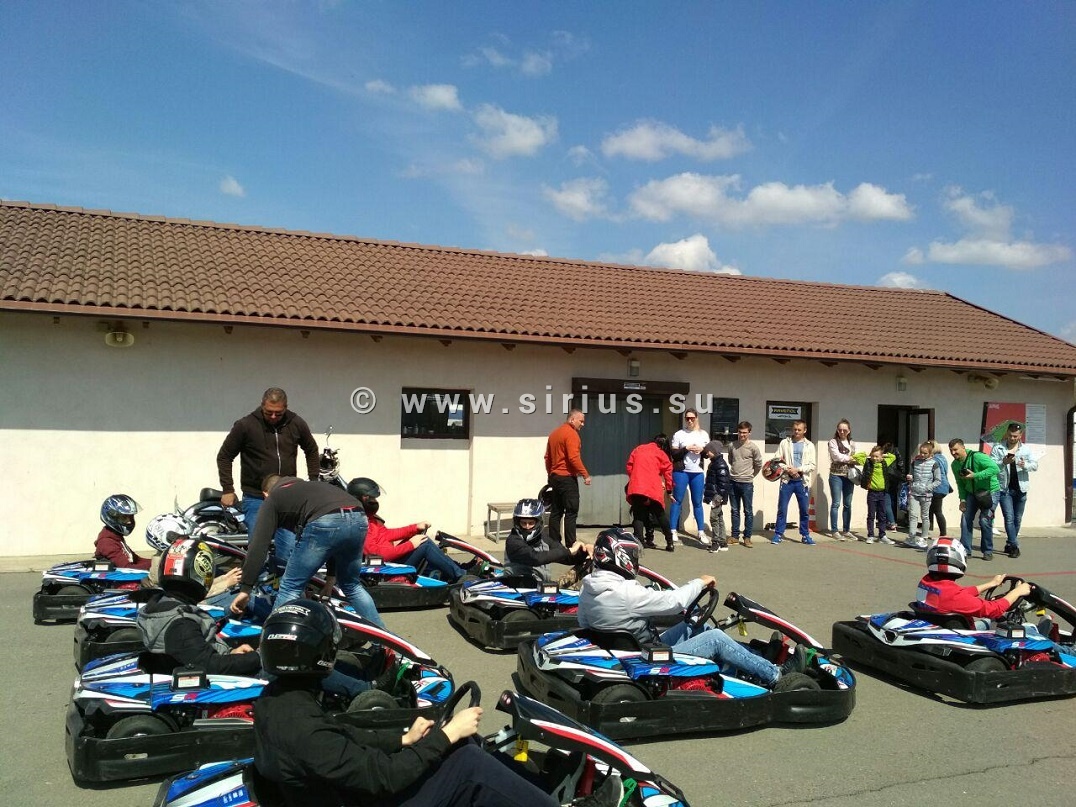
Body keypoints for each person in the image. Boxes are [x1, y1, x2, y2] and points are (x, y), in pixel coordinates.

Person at [252, 599, 624, 807]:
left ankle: (540, 790)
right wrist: (446, 735)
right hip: (368, 798)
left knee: (463, 746)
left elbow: (339, 736)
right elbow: (384, 777)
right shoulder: (302, 727)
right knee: (468, 764)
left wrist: (403, 738)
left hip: (345, 792)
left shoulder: (278, 701)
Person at [578, 528, 808, 688]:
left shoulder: (588, 588)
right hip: (649, 659)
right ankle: (775, 675)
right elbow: (675, 602)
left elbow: (584, 624)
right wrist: (700, 582)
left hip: (632, 650)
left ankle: (758, 659)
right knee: (715, 638)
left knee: (695, 625)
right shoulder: (625, 592)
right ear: (621, 557)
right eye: (633, 556)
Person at [229, 476, 383, 627]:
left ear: (265, 494)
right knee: (352, 586)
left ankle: (277, 638)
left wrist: (246, 589)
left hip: (326, 520)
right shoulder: (312, 488)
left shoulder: (273, 498)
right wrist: (330, 579)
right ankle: (383, 638)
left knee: (290, 586)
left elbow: (258, 546)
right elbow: (335, 537)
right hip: (358, 516)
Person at [216, 387, 320, 563]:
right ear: (262, 405)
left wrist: (314, 480)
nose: (273, 417)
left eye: (278, 413)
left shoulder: (296, 423)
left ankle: (282, 579)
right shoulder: (245, 425)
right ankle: (258, 579)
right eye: (268, 412)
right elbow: (224, 456)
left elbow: (311, 450)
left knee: (288, 545)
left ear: (285, 407)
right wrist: (228, 488)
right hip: (255, 496)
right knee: (258, 545)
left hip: (288, 497)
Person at [347, 478, 466, 583]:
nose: (374, 501)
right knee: (425, 544)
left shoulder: (369, 519)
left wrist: (415, 528)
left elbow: (386, 534)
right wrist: (411, 545)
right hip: (384, 569)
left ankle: (457, 569)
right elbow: (379, 555)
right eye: (371, 498)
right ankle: (461, 575)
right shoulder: (359, 525)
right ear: (360, 499)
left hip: (389, 562)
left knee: (420, 539)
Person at [916, 539, 1032, 628]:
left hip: (943, 632)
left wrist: (991, 584)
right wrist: (1017, 592)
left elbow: (958, 595)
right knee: (1029, 628)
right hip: (966, 638)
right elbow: (994, 610)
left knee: (994, 621)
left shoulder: (926, 582)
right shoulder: (954, 597)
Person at [142, 513, 243, 609]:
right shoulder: (168, 566)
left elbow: (196, 583)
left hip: (189, 603)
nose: (188, 540)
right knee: (244, 598)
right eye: (183, 537)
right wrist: (226, 584)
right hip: (189, 607)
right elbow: (189, 595)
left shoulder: (165, 560)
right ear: (167, 539)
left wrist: (224, 578)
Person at [503, 498, 590, 585]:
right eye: (523, 523)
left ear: (538, 523)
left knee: (590, 562)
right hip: (517, 588)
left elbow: (566, 558)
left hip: (543, 587)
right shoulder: (513, 541)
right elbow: (535, 558)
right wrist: (569, 551)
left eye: (531, 523)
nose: (527, 526)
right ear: (517, 523)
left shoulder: (544, 539)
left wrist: (584, 551)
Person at [544, 409, 591, 549]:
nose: (582, 424)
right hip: (567, 478)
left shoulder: (554, 434)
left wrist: (551, 474)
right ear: (572, 419)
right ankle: (571, 545)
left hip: (555, 477)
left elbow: (547, 458)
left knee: (556, 511)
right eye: (581, 421)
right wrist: (585, 474)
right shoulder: (571, 434)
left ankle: (554, 544)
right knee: (571, 511)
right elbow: (573, 457)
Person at [990, 422, 1038, 559]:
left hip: (1021, 489)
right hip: (1004, 489)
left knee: (1017, 519)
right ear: (1007, 434)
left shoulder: (1025, 450)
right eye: (1010, 435)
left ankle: (1009, 543)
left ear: (1020, 435)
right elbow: (991, 464)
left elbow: (1035, 465)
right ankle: (1014, 546)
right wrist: (1003, 462)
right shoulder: (998, 448)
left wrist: (1025, 465)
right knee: (1009, 518)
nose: (1012, 438)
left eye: (1015, 436)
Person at [949, 438, 1001, 561]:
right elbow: (960, 483)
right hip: (971, 493)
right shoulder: (955, 465)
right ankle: (966, 550)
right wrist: (962, 500)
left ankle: (987, 550)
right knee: (965, 519)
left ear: (963, 447)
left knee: (984, 520)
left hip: (990, 492)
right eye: (951, 450)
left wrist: (975, 475)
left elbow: (995, 469)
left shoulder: (977, 457)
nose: (953, 453)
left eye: (955, 450)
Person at [624, 434, 675, 552]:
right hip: (653, 487)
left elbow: (629, 467)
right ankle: (670, 542)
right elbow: (668, 472)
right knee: (660, 515)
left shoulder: (638, 449)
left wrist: (635, 478)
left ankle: (640, 541)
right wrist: (669, 490)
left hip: (637, 486)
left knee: (638, 515)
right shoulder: (661, 453)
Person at [771, 420, 817, 545]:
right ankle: (778, 534)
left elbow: (812, 465)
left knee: (804, 510)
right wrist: (788, 469)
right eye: (795, 429)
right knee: (782, 508)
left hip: (802, 482)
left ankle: (805, 535)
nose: (796, 432)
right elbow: (777, 459)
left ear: (805, 430)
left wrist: (798, 470)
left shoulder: (809, 445)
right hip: (787, 481)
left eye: (799, 430)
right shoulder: (785, 443)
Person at [669, 408, 710, 545]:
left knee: (697, 502)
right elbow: (674, 454)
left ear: (696, 418)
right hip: (681, 471)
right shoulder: (679, 434)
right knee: (677, 500)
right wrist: (686, 448)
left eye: (692, 418)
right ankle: (673, 530)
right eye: (687, 418)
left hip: (697, 472)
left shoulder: (703, 434)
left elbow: (708, 454)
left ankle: (701, 532)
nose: (690, 421)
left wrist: (701, 450)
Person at [726, 421, 763, 548]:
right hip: (733, 482)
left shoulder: (753, 448)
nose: (742, 435)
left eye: (745, 433)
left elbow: (758, 464)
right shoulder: (732, 445)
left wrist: (751, 475)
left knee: (748, 511)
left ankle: (747, 537)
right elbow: (731, 460)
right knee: (734, 511)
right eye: (740, 432)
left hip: (747, 483)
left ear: (749, 433)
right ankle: (734, 536)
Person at [94, 494, 151, 569]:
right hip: (123, 575)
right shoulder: (107, 543)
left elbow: (137, 560)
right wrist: (156, 566)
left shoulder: (116, 537)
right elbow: (128, 569)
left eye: (131, 517)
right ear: (113, 518)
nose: (129, 522)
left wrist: (159, 561)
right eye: (124, 517)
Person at [904, 442, 942, 549]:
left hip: (926, 494)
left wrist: (928, 487)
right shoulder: (915, 462)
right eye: (921, 452)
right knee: (913, 515)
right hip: (914, 492)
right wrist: (910, 477)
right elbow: (911, 474)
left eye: (925, 453)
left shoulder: (934, 464)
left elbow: (938, 480)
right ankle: (911, 537)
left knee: (925, 516)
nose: (922, 455)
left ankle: (924, 538)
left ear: (930, 453)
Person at [826, 420, 858, 541]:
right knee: (836, 503)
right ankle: (835, 530)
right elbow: (836, 457)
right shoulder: (833, 442)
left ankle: (846, 530)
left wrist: (854, 459)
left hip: (849, 476)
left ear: (849, 431)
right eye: (840, 430)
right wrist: (850, 458)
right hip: (836, 475)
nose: (842, 432)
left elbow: (857, 458)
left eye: (845, 430)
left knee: (848, 504)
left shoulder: (852, 443)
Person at [858, 446, 895, 545]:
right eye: (873, 456)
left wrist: (884, 455)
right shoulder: (868, 463)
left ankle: (882, 535)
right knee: (871, 515)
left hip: (882, 493)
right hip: (872, 493)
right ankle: (870, 535)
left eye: (877, 456)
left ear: (881, 457)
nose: (874, 458)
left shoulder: (885, 463)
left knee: (882, 515)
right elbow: (857, 456)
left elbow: (893, 457)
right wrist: (866, 455)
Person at [702, 447, 732, 552]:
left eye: (708, 451)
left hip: (717, 496)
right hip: (716, 495)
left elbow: (723, 483)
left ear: (714, 451)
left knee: (714, 518)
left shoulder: (720, 464)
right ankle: (723, 542)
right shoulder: (715, 463)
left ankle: (716, 542)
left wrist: (718, 497)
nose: (707, 453)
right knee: (719, 517)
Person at [928, 440, 952, 537]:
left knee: (935, 511)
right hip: (944, 487)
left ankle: (942, 533)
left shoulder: (933, 460)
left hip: (936, 487)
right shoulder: (943, 458)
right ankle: (930, 530)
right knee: (933, 510)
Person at [879, 438, 905, 531]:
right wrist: (902, 475)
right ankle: (891, 520)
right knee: (892, 499)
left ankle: (890, 521)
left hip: (885, 477)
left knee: (886, 501)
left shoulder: (881, 453)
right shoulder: (895, 451)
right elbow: (900, 464)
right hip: (894, 477)